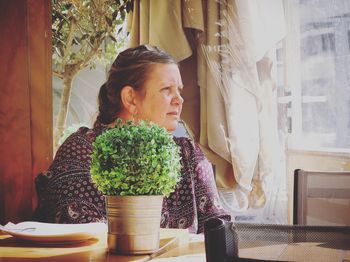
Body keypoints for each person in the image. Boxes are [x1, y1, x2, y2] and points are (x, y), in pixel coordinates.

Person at [34, 45, 231, 233]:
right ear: (130, 98)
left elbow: (218, 226)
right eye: (166, 90)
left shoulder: (187, 154)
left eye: (179, 90)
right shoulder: (83, 150)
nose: (179, 99)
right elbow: (79, 226)